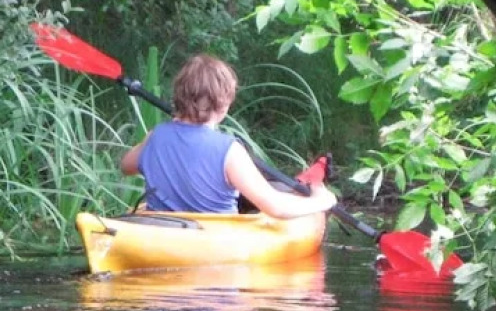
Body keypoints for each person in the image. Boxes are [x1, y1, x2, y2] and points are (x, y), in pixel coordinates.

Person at [119, 53, 337, 218]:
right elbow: (276, 207)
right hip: (215, 239)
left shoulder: (155, 137)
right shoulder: (229, 151)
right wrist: (322, 201)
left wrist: (155, 140)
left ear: (179, 97)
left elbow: (125, 167)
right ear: (224, 106)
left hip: (161, 232)